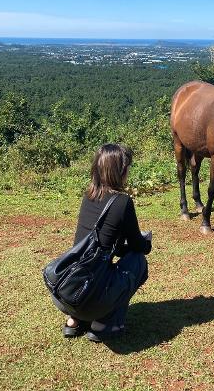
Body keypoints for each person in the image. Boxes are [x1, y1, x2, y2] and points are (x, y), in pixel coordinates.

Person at [61, 143, 151, 342]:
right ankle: (104, 324)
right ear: (120, 171)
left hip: (70, 290)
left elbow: (104, 243)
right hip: (93, 294)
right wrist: (147, 243)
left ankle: (74, 321)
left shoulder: (89, 194)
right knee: (138, 261)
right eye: (127, 167)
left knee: (94, 266)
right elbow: (137, 246)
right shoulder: (122, 202)